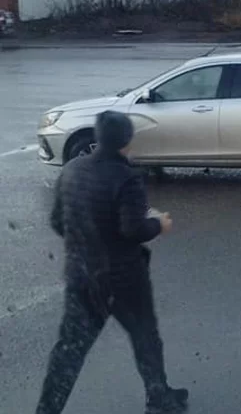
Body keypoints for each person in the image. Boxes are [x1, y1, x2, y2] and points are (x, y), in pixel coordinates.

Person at [36, 111, 188, 414]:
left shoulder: (73, 169)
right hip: (122, 281)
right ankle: (158, 399)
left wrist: (85, 241)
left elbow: (57, 221)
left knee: (69, 350)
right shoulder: (127, 178)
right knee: (145, 336)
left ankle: (46, 410)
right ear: (127, 141)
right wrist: (159, 224)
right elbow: (133, 229)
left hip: (81, 277)